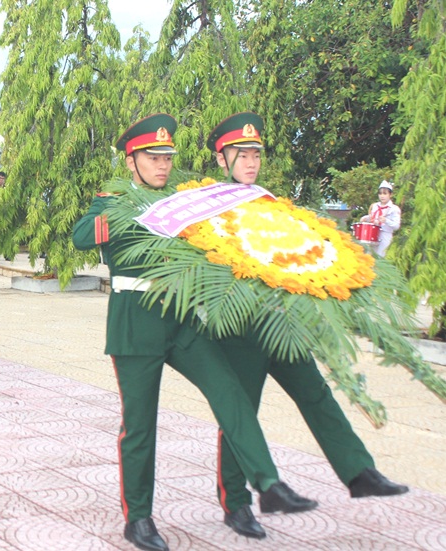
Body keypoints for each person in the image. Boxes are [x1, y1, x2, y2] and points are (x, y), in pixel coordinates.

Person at [72, 114, 315, 551]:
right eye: (152, 157)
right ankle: (139, 519)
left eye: (167, 157)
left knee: (231, 394)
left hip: (184, 318)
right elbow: (81, 237)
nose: (162, 165)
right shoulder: (112, 199)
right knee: (141, 425)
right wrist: (134, 215)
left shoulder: (189, 200)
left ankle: (255, 492)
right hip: (135, 323)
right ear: (132, 162)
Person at [207, 112, 409, 540]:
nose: (250, 160)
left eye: (255, 153)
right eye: (240, 153)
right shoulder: (206, 204)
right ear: (220, 157)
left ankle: (359, 473)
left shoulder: (269, 201)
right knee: (241, 411)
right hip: (241, 327)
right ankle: (236, 504)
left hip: (282, 322)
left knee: (315, 393)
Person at [360, 180, 401, 258]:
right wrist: (366, 218)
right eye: (380, 193)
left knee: (380, 258)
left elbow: (397, 226)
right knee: (369, 257)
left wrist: (386, 221)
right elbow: (372, 218)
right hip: (372, 234)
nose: (382, 196)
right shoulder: (375, 206)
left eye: (385, 193)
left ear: (390, 194)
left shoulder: (394, 209)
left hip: (385, 235)